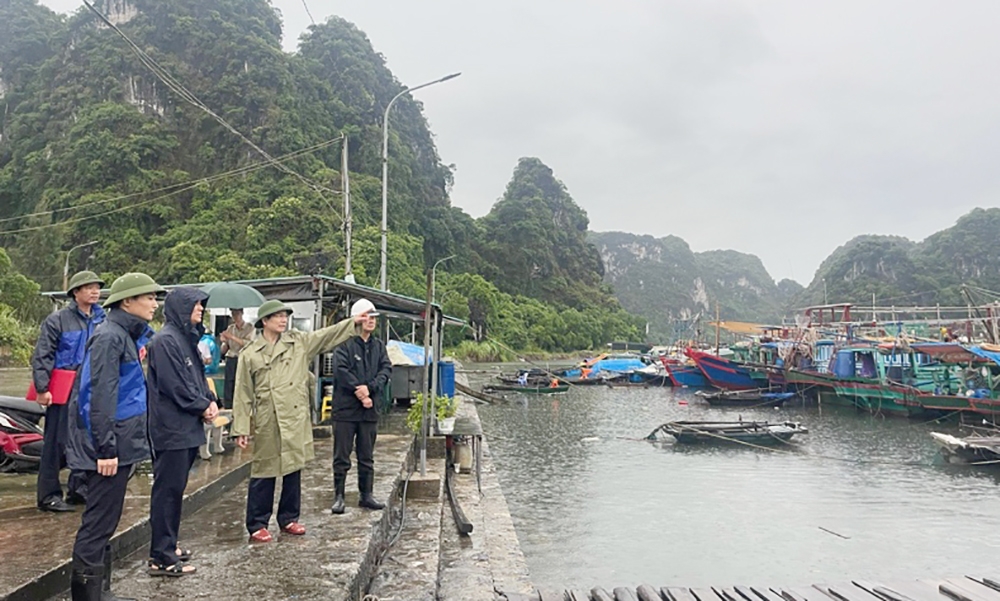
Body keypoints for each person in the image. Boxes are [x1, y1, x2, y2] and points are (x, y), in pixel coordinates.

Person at [232, 299, 368, 542]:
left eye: (285, 315)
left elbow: (326, 336)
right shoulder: (250, 354)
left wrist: (352, 323)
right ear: (265, 321)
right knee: (264, 471)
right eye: (278, 316)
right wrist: (241, 428)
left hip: (294, 417)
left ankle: (288, 518)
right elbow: (242, 393)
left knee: (293, 469)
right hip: (268, 418)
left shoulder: (298, 342)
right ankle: (257, 523)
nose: (284, 319)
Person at [66, 272, 163, 601]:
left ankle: (100, 591)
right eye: (148, 297)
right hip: (108, 446)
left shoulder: (126, 335)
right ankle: (86, 595)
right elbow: (98, 396)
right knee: (97, 523)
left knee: (107, 521)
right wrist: (105, 449)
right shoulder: (110, 337)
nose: (154, 303)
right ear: (127, 301)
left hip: (121, 442)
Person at [146, 287, 219, 577]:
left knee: (176, 491)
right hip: (171, 428)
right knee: (167, 491)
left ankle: (169, 543)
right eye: (196, 305)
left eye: (202, 305)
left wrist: (211, 401)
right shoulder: (164, 341)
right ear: (181, 307)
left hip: (187, 426)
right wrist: (202, 406)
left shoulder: (186, 339)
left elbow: (197, 378)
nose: (200, 309)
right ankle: (160, 556)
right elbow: (175, 385)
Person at [30, 271, 106, 513]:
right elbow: (43, 355)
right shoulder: (58, 320)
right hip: (65, 387)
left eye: (97, 287)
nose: (94, 291)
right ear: (75, 292)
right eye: (88, 287)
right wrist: (43, 388)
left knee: (87, 439)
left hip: (91, 387)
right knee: (56, 442)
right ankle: (49, 495)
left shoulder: (102, 319)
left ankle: (79, 489)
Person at [330, 298, 392, 515]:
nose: (371, 321)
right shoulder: (344, 344)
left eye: (373, 317)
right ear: (357, 319)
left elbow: (386, 369)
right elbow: (341, 370)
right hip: (345, 410)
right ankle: (339, 496)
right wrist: (358, 389)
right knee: (342, 455)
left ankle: (366, 494)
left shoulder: (378, 346)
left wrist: (371, 388)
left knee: (367, 455)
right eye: (366, 316)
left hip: (369, 409)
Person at [219, 308, 254, 408]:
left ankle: (241, 406)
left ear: (242, 313)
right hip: (231, 358)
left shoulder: (249, 327)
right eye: (233, 314)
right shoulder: (230, 328)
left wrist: (232, 337)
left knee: (241, 384)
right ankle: (228, 406)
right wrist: (224, 341)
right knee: (229, 385)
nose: (235, 316)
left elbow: (248, 343)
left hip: (242, 358)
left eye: (237, 313)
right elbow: (224, 349)